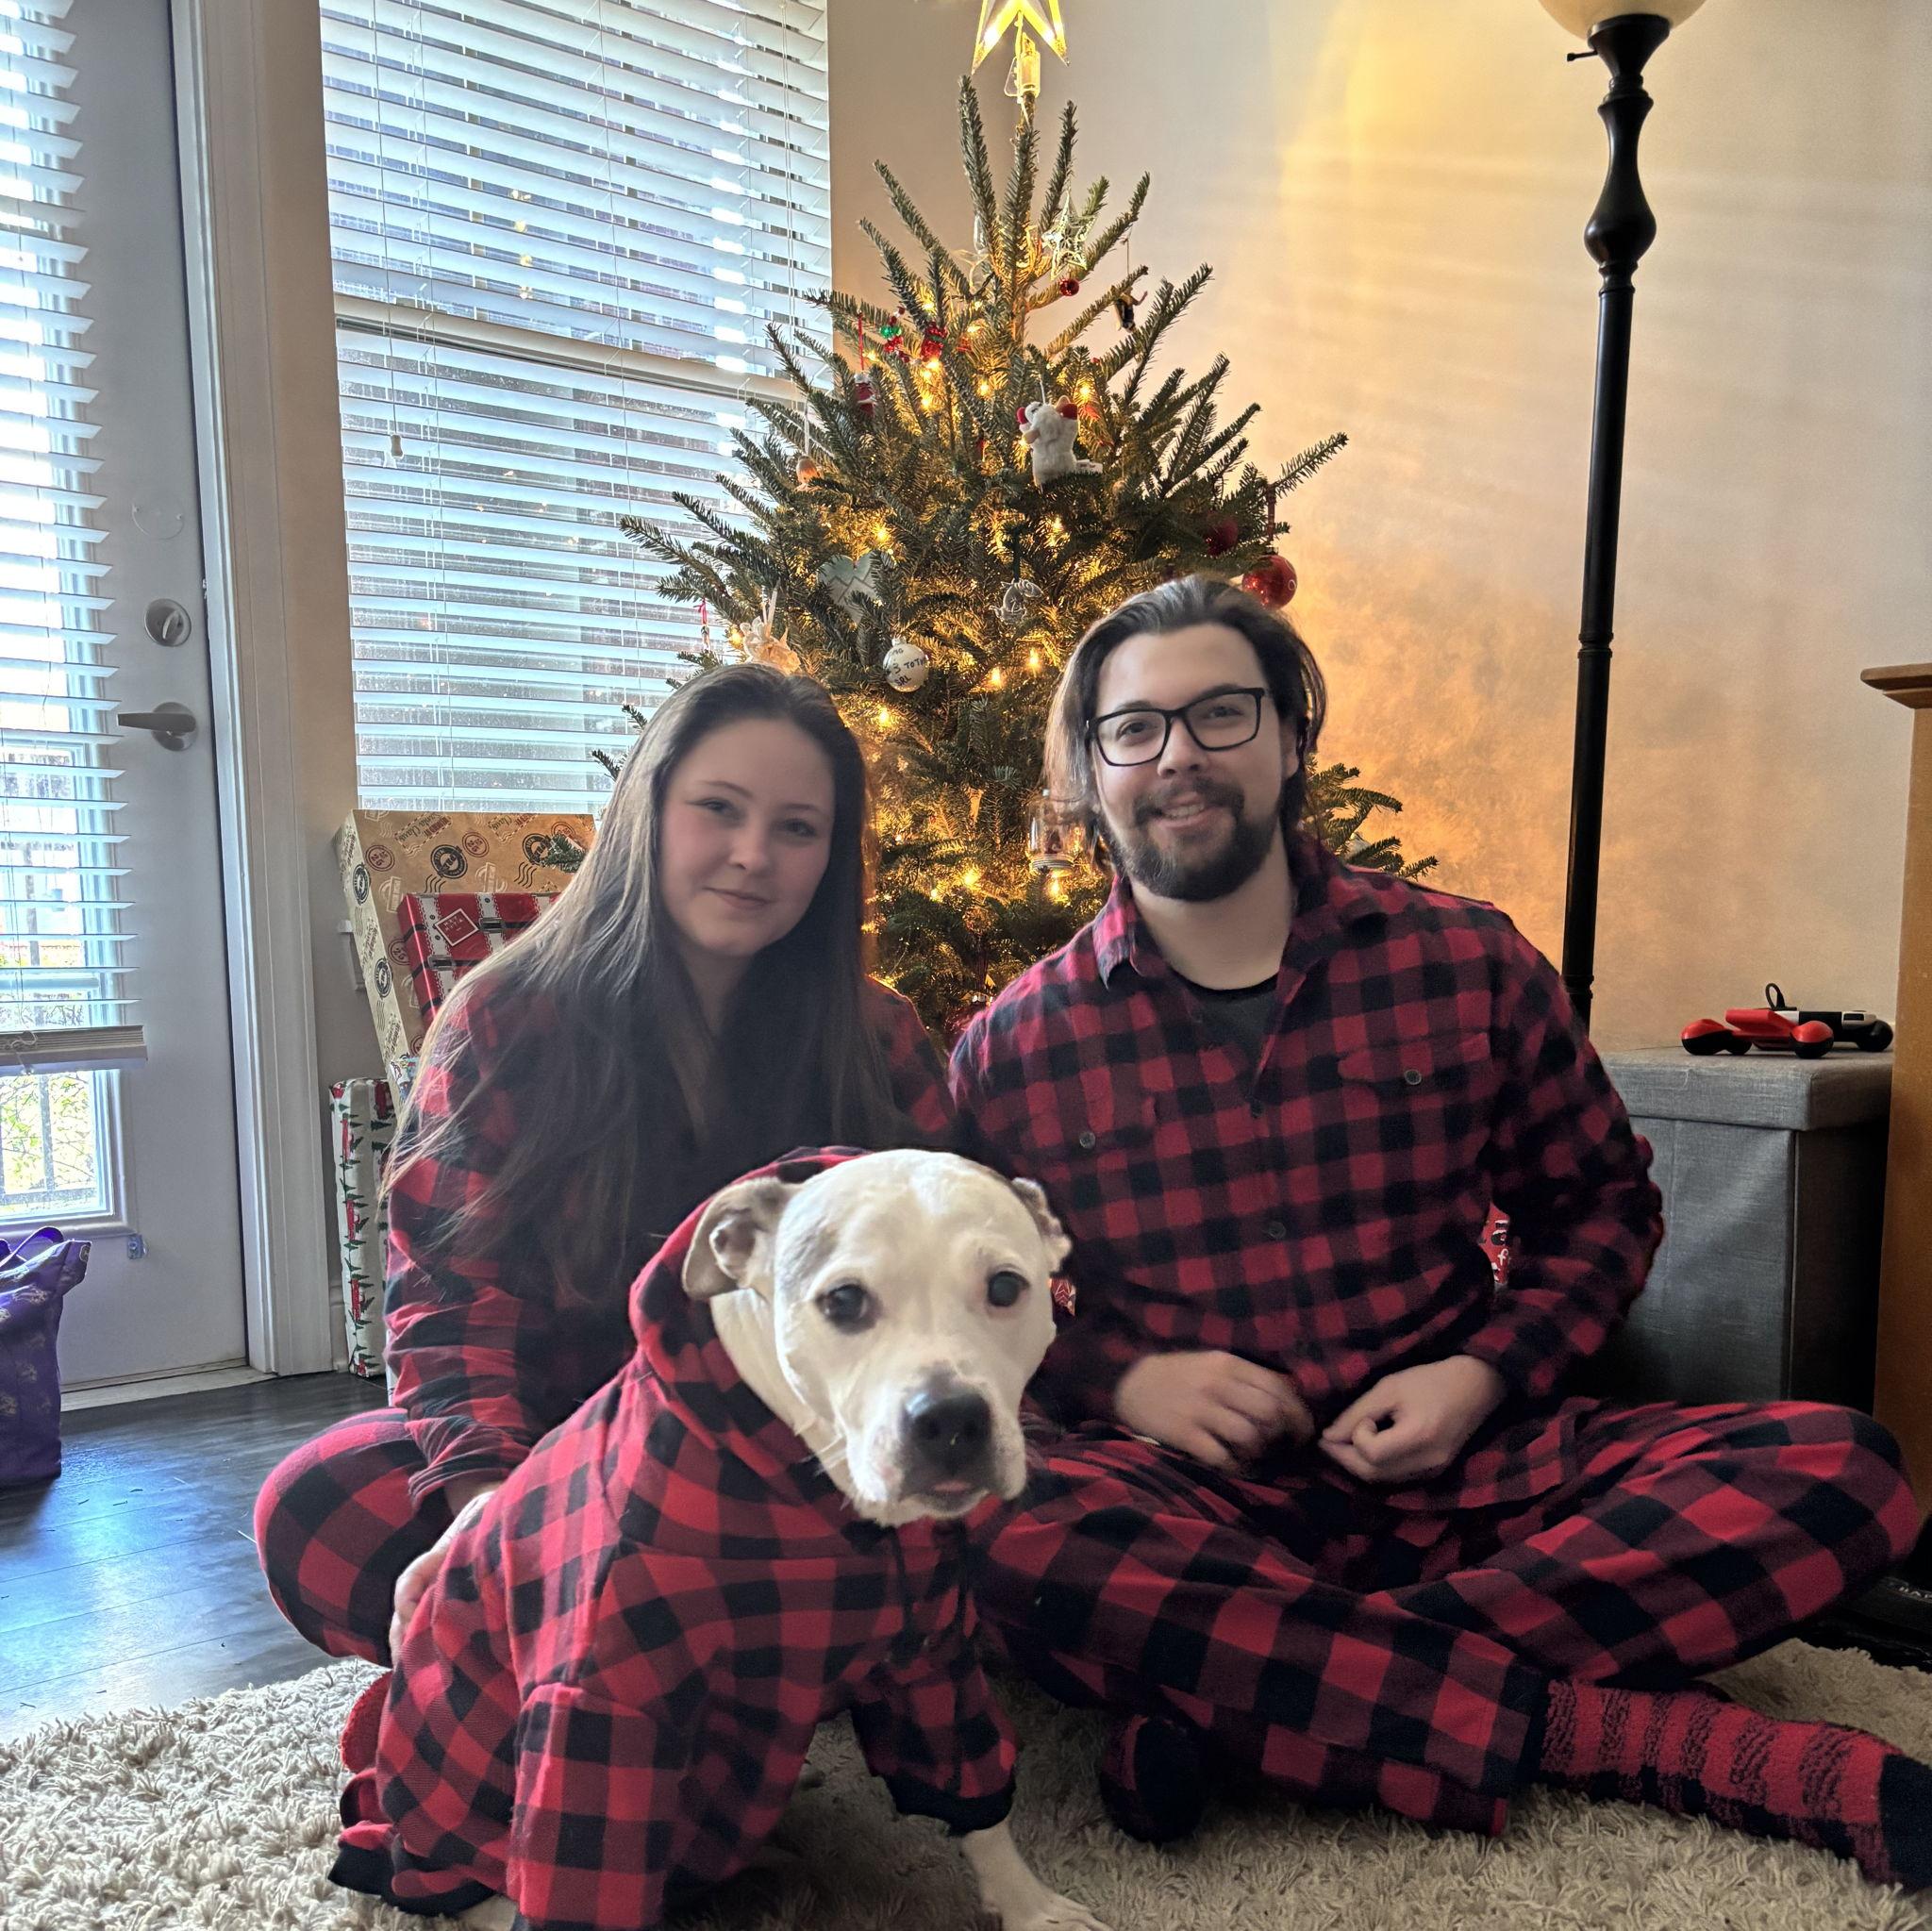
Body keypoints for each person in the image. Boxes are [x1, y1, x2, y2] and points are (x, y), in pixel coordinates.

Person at [950, 574, 1929, 1888]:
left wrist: (1479, 1375)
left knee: (1846, 1472)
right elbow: (965, 1311)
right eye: (1133, 729)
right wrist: (1125, 1378)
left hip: (1485, 1473)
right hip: (1198, 1500)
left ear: (1292, 736)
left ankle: (1240, 1697)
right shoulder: (1012, 1045)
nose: (1176, 754)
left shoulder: (1466, 960)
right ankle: (1629, 1734)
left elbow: (1600, 1207)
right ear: (1088, 771)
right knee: (1003, 1526)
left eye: (1220, 712)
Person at [256, 664, 952, 1665]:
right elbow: (453, 1297)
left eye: (797, 829)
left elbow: (952, 1277)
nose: (752, 856)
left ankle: (647, 1655)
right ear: (646, 810)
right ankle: (702, 1657)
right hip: (563, 1461)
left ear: (831, 857)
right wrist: (488, 1505)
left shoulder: (875, 1036)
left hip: (807, 1458)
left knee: (1027, 1500)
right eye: (718, 809)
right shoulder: (504, 1019)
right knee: (318, 1510)